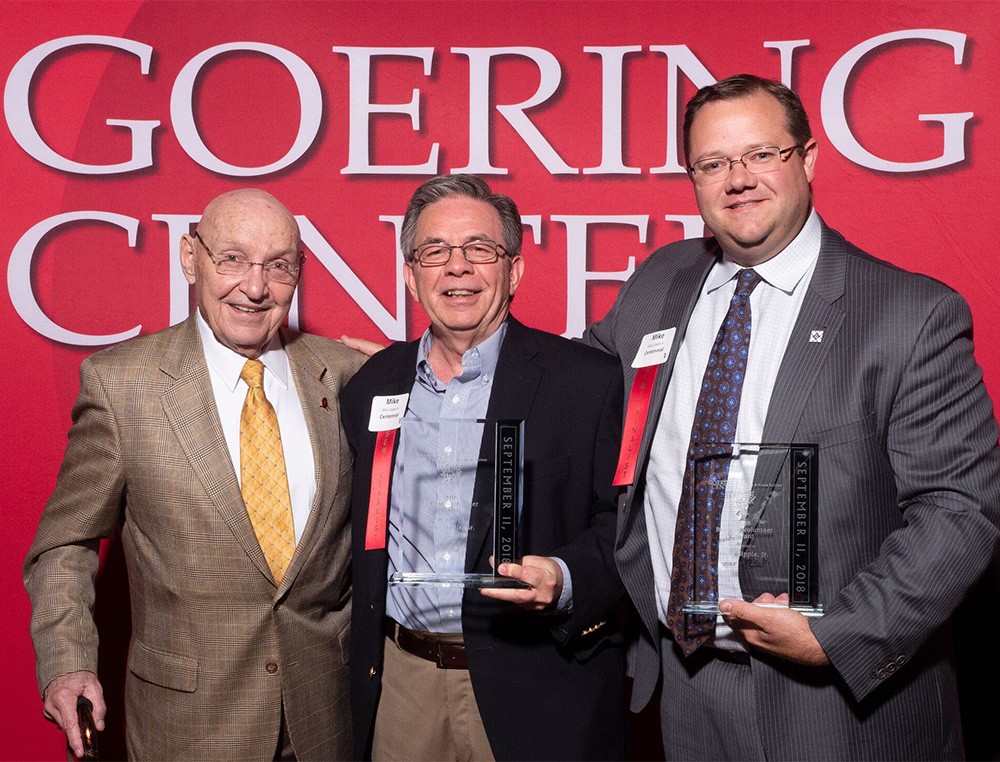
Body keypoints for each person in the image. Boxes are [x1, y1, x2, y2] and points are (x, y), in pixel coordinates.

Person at [581, 73, 1000, 759]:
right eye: (713, 164)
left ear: (806, 159)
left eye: (760, 155)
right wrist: (424, 359)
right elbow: (576, 383)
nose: (737, 179)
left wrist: (840, 632)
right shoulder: (661, 281)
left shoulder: (908, 315)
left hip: (840, 703)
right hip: (686, 689)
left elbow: (960, 509)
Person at [23, 189, 365, 760]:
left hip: (326, 720)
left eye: (278, 266)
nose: (255, 287)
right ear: (190, 258)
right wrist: (68, 662)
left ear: (299, 274)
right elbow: (63, 544)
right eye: (231, 258)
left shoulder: (351, 377)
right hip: (188, 725)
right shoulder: (122, 385)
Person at [340, 174, 626, 761]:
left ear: (514, 271)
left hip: (537, 682)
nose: (457, 268)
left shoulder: (587, 383)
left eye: (479, 249)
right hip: (402, 685)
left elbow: (629, 526)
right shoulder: (373, 385)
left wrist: (565, 578)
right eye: (435, 252)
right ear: (409, 274)